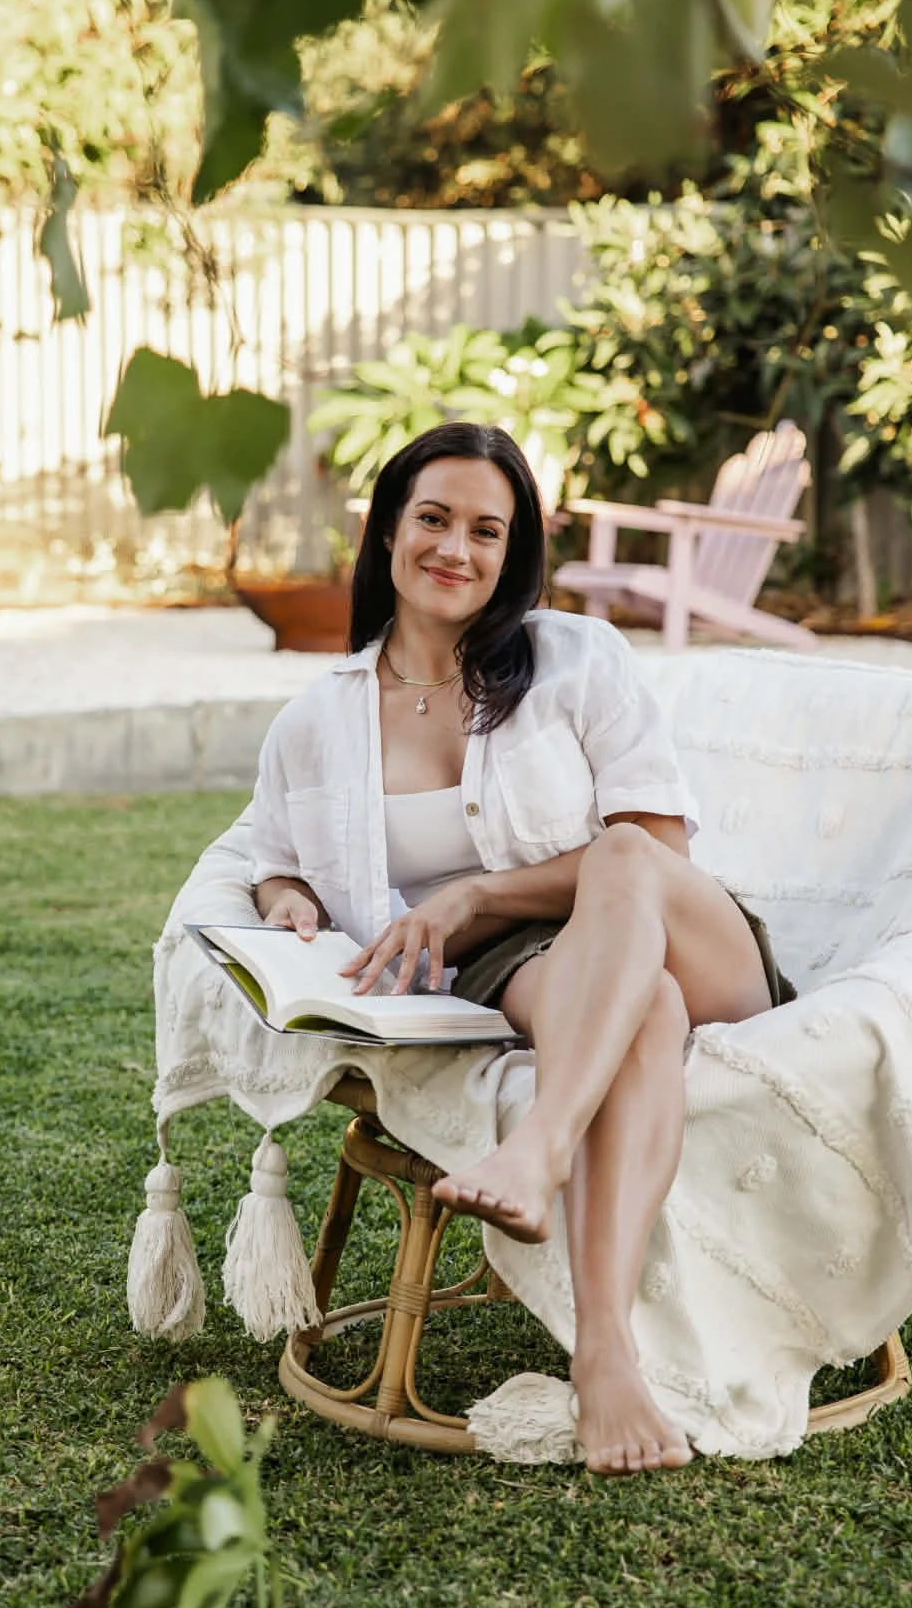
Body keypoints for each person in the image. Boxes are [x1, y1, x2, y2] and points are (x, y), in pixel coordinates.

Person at [246, 422, 795, 1475]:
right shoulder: (316, 720)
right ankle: (605, 1356)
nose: (457, 548)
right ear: (390, 533)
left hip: (689, 938)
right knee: (645, 1018)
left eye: (487, 530)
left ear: (513, 551)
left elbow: (661, 843)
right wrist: (285, 900)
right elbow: (270, 854)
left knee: (626, 862)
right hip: (527, 972)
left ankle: (540, 1146)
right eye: (435, 520)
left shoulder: (573, 657)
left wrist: (471, 897)